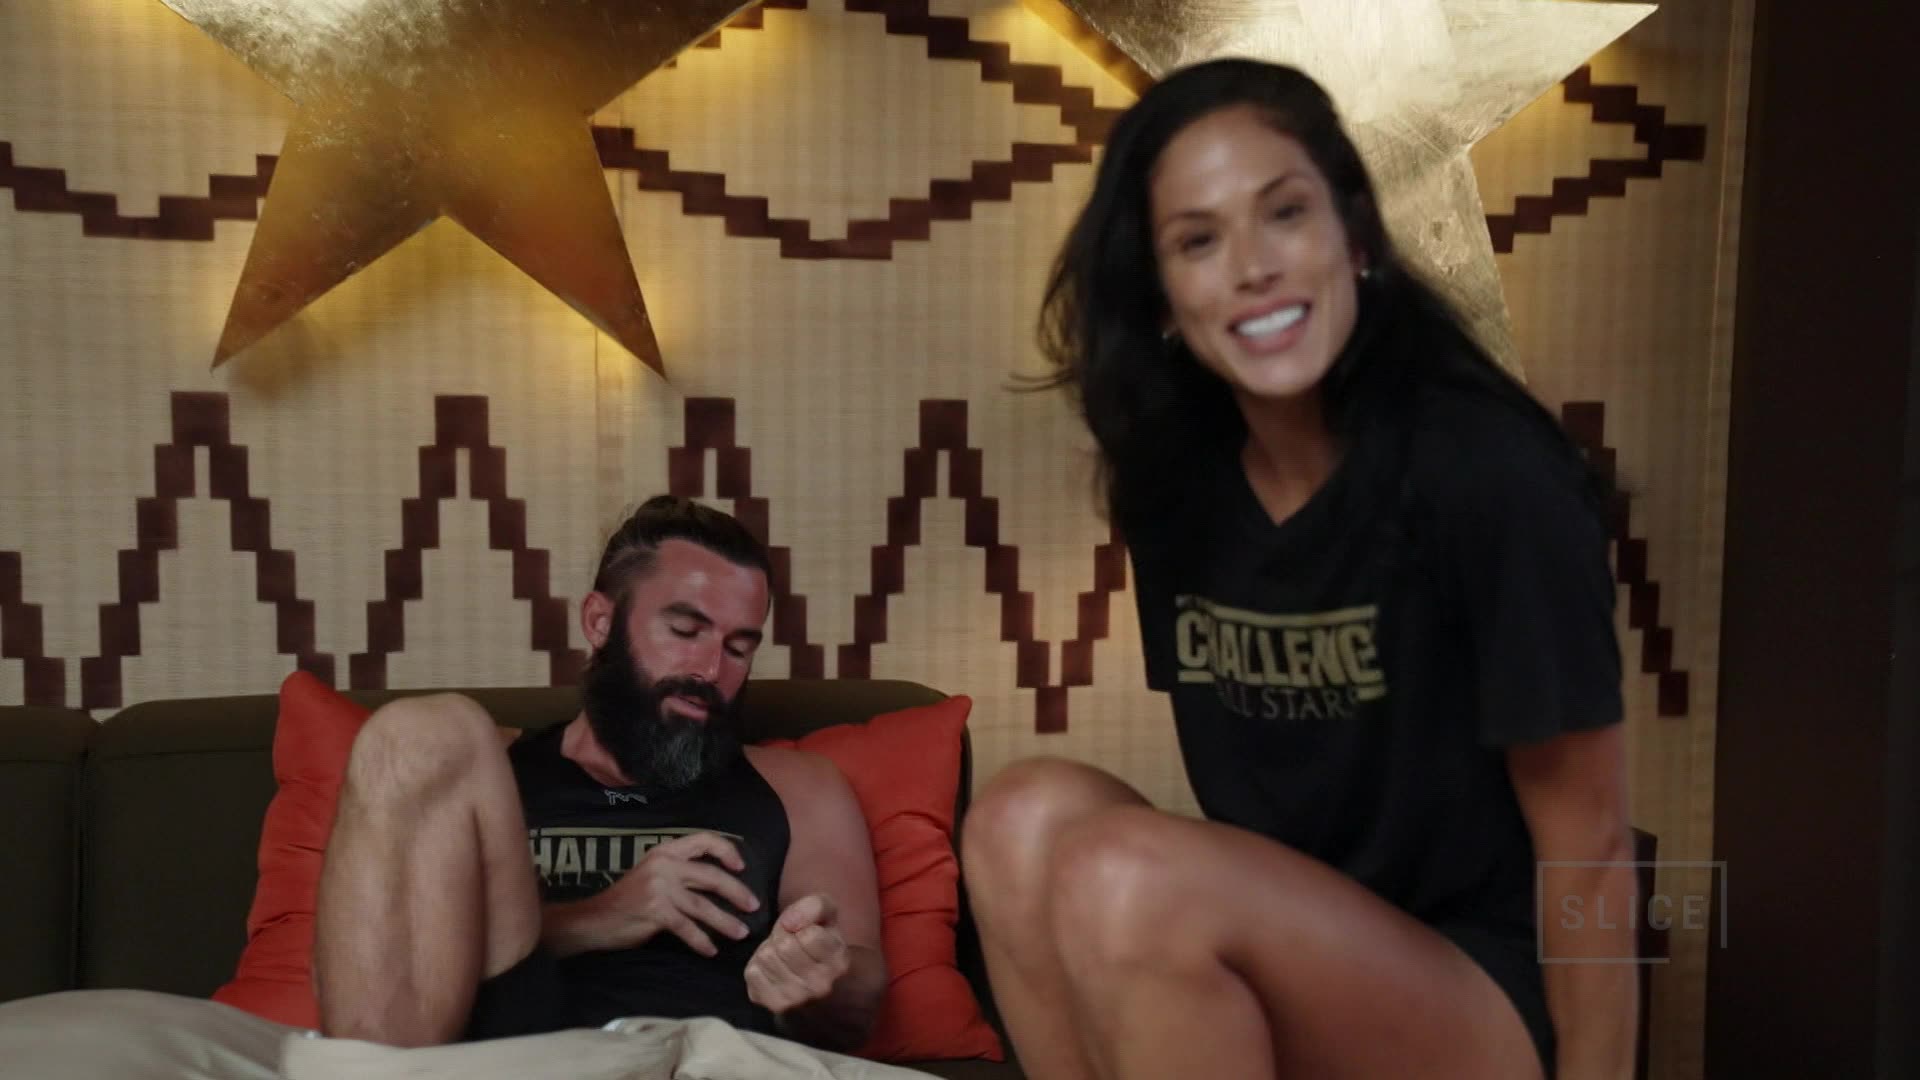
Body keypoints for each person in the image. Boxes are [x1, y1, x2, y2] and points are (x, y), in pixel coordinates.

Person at [962, 58, 1637, 1080]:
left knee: (1124, 874)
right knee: (1017, 820)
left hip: (1487, 994)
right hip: (1310, 942)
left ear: (1354, 239)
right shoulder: (1175, 482)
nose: (1253, 267)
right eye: (1198, 240)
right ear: (1160, 295)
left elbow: (1592, 849)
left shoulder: (1487, 471)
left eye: (1285, 214)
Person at [312, 495, 888, 1050]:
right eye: (685, 631)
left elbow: (859, 999)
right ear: (600, 621)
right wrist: (604, 915)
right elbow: (384, 966)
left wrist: (818, 977)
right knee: (419, 730)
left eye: (739, 647)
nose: (711, 670)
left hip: (707, 1058)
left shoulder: (798, 786)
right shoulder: (478, 772)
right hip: (513, 1054)